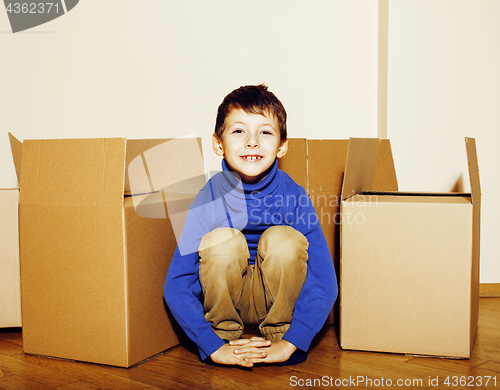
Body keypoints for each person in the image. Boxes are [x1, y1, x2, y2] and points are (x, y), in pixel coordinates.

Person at [164, 84, 337, 367]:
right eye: (238, 131)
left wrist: (293, 341)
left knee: (284, 239)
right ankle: (226, 337)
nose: (252, 142)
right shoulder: (208, 197)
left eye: (265, 132)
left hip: (279, 303)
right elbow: (177, 282)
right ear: (218, 143)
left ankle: (278, 338)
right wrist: (211, 345)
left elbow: (323, 280)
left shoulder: (294, 195)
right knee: (223, 240)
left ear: (282, 146)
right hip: (227, 304)